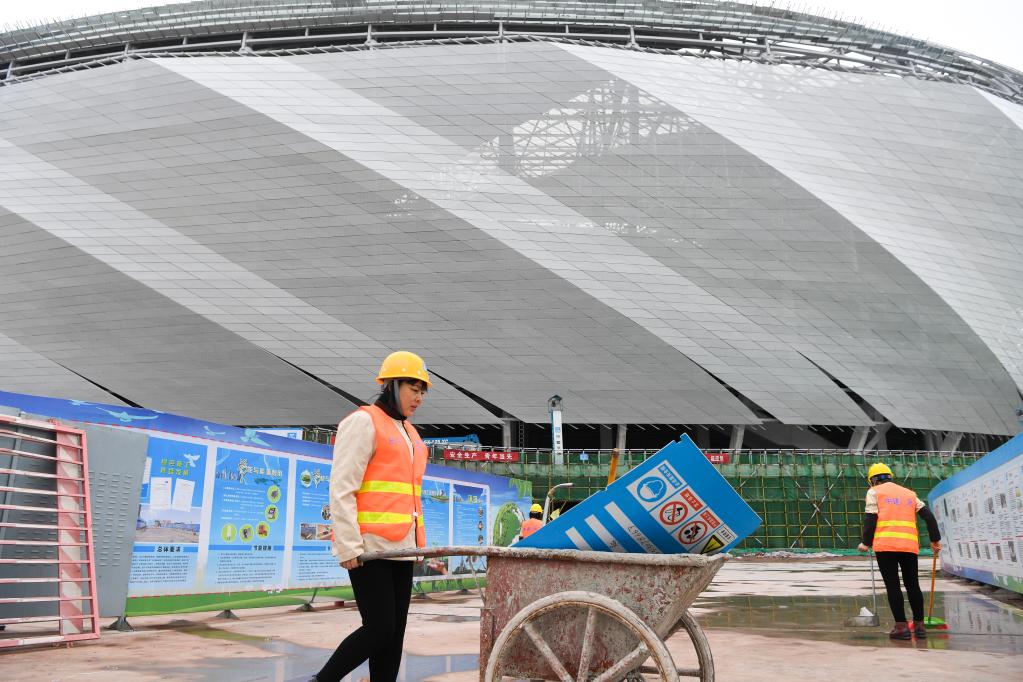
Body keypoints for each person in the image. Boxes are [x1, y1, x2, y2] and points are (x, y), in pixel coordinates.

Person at [313, 351, 430, 682]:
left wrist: (417, 544)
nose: (418, 398)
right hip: (370, 547)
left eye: (422, 392)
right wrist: (348, 544)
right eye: (413, 388)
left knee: (394, 636)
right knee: (379, 628)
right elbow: (342, 488)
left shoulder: (411, 434)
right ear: (392, 385)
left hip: (404, 547)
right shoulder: (363, 422)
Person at [857, 463, 941, 640]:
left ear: (873, 480)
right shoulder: (909, 494)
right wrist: (935, 540)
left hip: (886, 546)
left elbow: (871, 518)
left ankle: (901, 628)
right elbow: (929, 516)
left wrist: (865, 543)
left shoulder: (874, 492)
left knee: (893, 586)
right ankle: (919, 627)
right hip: (909, 546)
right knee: (913, 585)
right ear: (890, 476)